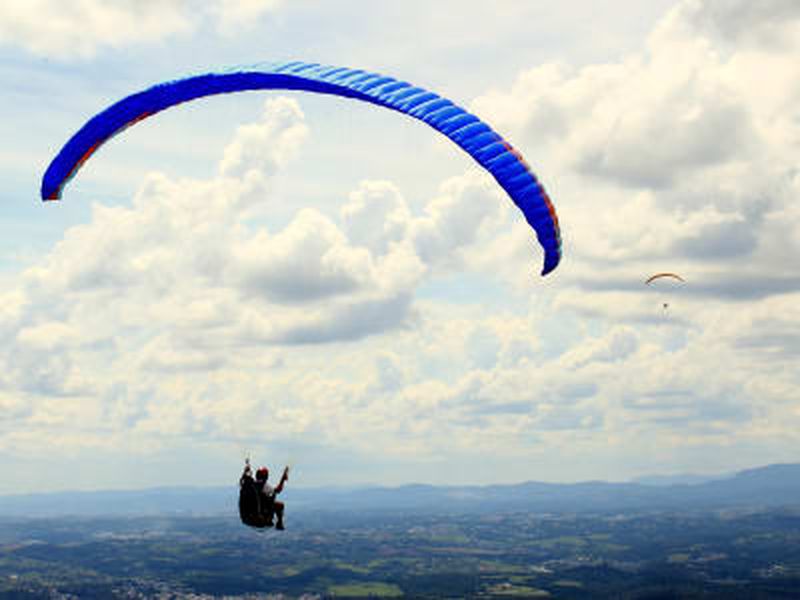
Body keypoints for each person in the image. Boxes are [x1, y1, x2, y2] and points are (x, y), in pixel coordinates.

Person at [255, 465, 289, 530]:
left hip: (254, 511)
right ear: (266, 477)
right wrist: (283, 479)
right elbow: (278, 490)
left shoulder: (253, 485)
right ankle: (279, 523)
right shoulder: (264, 487)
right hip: (264, 513)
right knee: (280, 505)